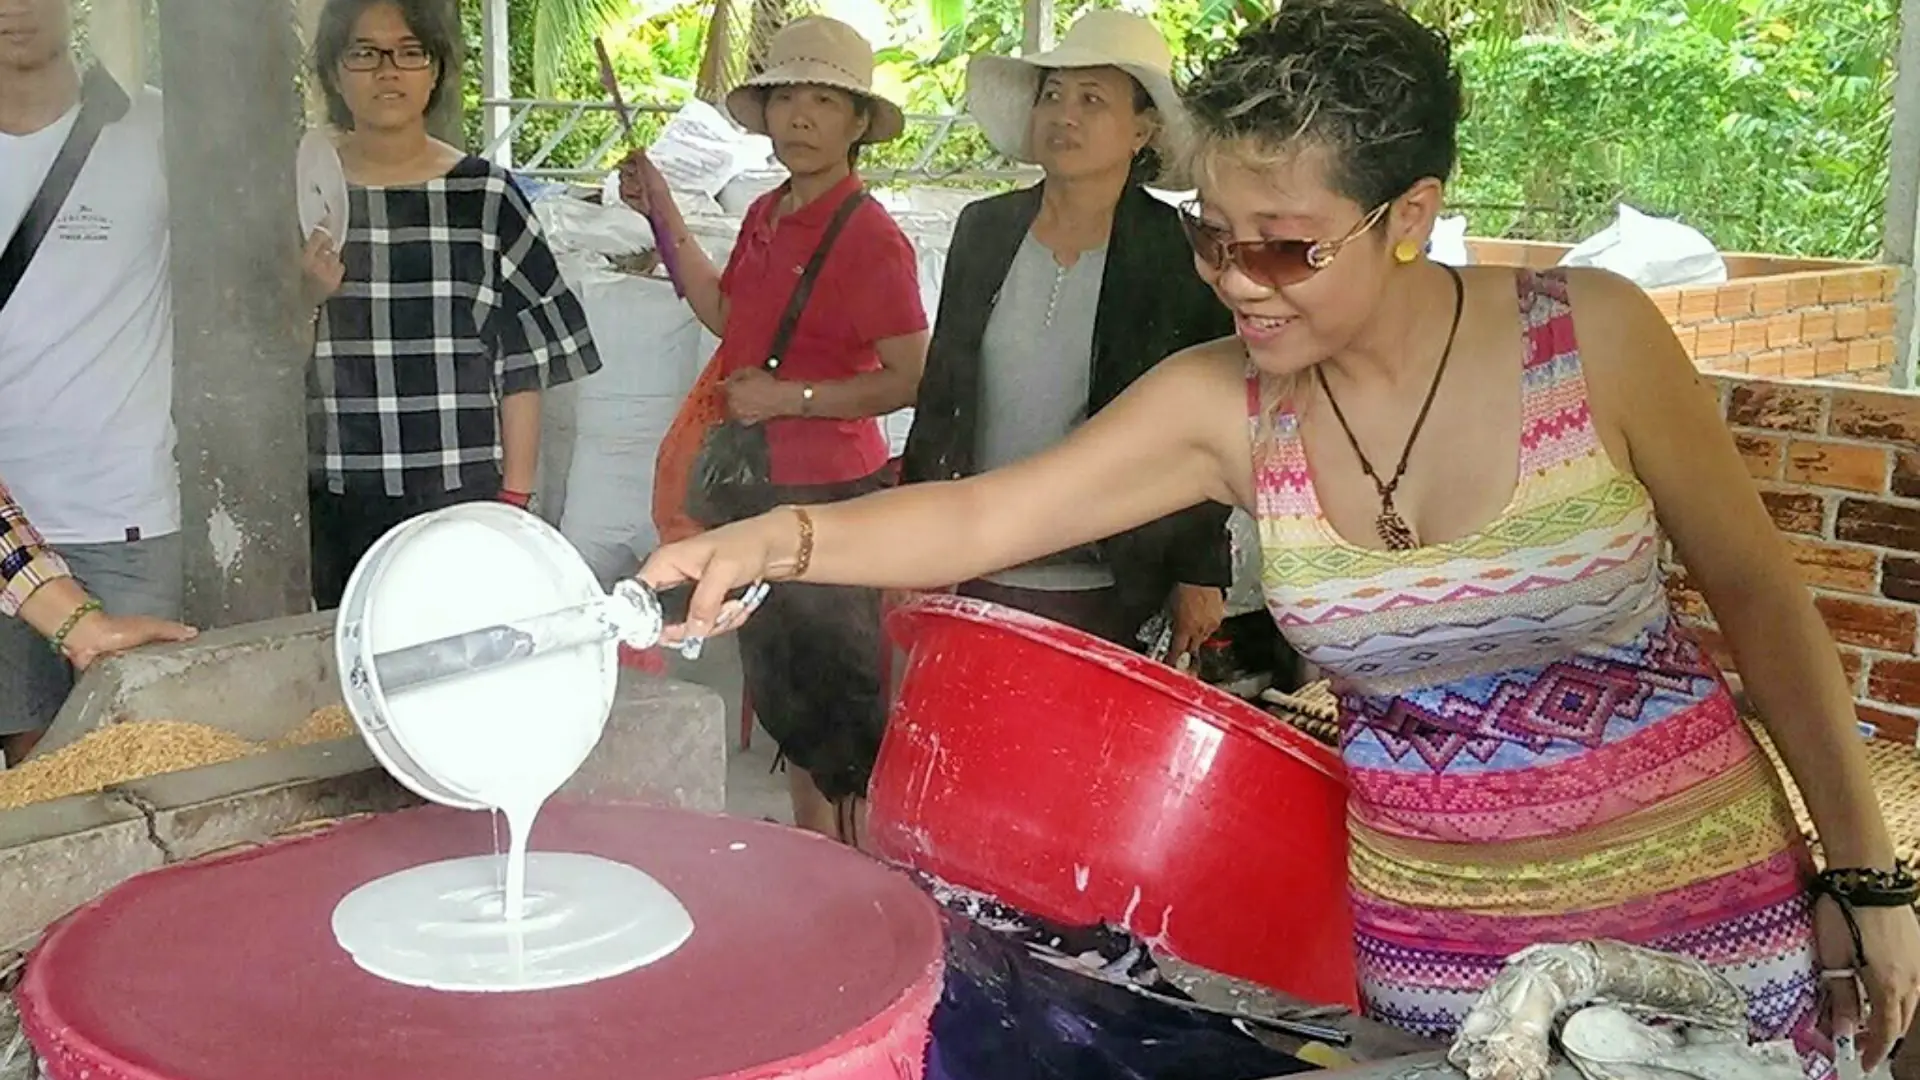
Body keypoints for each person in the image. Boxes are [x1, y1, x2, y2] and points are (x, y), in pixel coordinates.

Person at [637, 1, 1920, 1073]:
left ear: (1409, 213)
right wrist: (773, 542)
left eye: (1290, 247)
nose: (1240, 279)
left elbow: (1762, 601)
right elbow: (986, 512)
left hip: (1700, 918)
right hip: (1434, 955)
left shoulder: (1593, 337)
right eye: (1212, 237)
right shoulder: (1222, 406)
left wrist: (1867, 884)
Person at [618, 16, 929, 844]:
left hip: (833, 494)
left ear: (858, 123)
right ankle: (815, 867)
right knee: (789, 700)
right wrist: (665, 214)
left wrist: (790, 400)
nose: (799, 117)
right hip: (756, 490)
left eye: (823, 101)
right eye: (787, 97)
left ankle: (859, 885)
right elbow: (726, 313)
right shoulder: (764, 212)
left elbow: (912, 376)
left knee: (843, 710)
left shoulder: (872, 239)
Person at [902, 10, 1234, 662]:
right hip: (979, 554)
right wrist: (910, 539)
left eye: (1092, 99)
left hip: (1113, 576)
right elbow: (942, 393)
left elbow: (1208, 424)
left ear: (1143, 128)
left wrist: (1201, 569)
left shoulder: (1178, 253)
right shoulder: (984, 230)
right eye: (1051, 94)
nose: (1064, 115)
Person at [300, 0, 600, 608]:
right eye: (365, 53)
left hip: (460, 492)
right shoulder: (302, 195)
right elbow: (250, 357)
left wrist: (513, 502)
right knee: (343, 665)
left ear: (435, 70)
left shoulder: (484, 195)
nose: (389, 71)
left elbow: (523, 365)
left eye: (410, 53)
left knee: (456, 663)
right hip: (333, 493)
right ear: (334, 72)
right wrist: (305, 296)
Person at [0, 0, 185, 752]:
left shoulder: (159, 131)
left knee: (130, 760)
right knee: (33, 775)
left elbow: (239, 291)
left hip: (126, 513)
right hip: (16, 514)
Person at [1, 477, 195, 761]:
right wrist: (82, 628)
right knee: (31, 739)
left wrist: (81, 627)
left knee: (130, 740)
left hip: (119, 518)